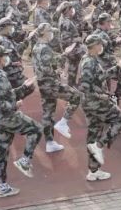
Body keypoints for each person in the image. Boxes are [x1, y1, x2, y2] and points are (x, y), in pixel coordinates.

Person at [0, 45, 41, 198]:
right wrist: (14, 105)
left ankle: (2, 187)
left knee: (2, 152)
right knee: (36, 129)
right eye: (5, 55)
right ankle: (24, 161)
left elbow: (5, 94)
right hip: (6, 117)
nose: (7, 57)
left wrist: (23, 88)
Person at [79, 34, 121, 181]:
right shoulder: (89, 62)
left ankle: (93, 171)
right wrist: (101, 96)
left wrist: (116, 68)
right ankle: (99, 146)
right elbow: (85, 86)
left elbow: (99, 78)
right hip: (95, 103)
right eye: (100, 44)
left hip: (91, 103)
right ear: (94, 46)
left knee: (94, 134)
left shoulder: (90, 59)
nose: (102, 47)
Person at [30, 23, 82, 151]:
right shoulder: (45, 48)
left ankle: (50, 143)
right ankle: (63, 122)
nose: (52, 34)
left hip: (43, 84)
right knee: (76, 96)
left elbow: (47, 62)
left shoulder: (36, 46)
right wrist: (60, 62)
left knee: (48, 113)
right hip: (50, 84)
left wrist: (64, 54)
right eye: (50, 31)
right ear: (44, 33)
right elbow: (47, 68)